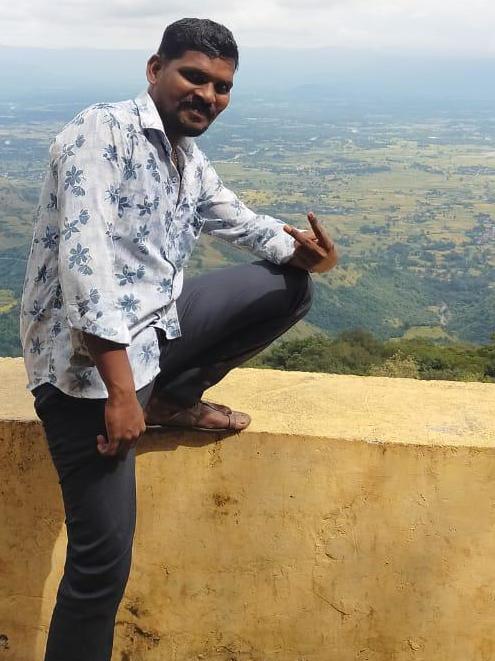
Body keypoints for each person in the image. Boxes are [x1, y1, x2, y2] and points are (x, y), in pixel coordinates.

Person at [20, 17, 338, 661]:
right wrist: (121, 394)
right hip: (86, 374)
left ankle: (169, 396)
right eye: (195, 76)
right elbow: (87, 270)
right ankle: (145, 396)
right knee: (101, 564)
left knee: (288, 288)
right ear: (154, 69)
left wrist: (311, 256)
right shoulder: (100, 133)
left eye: (222, 87)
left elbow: (242, 222)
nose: (209, 96)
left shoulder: (184, 159)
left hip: (154, 333)